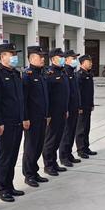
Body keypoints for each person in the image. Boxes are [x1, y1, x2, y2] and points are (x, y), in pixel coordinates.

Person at [0, 43, 25, 202]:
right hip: (5, 124)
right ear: (2, 57)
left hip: (17, 122)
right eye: (11, 54)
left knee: (13, 155)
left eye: (15, 54)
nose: (14, 57)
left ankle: (9, 185)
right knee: (3, 156)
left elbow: (20, 99)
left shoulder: (16, 74)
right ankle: (2, 188)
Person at [22, 45, 50, 187]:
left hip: (41, 117)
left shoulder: (41, 73)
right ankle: (28, 174)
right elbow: (24, 99)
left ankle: (34, 171)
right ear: (32, 58)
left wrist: (47, 114)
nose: (43, 59)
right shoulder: (27, 75)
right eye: (41, 57)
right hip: (31, 119)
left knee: (39, 145)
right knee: (31, 147)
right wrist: (25, 117)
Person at [42, 48, 70, 176]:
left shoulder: (62, 72)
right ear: (53, 59)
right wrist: (47, 114)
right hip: (52, 114)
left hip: (62, 112)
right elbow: (47, 97)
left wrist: (65, 110)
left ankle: (54, 163)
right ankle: (48, 165)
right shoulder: (49, 74)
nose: (63, 58)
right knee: (51, 140)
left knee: (58, 138)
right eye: (60, 57)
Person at [59, 50, 82, 167]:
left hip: (74, 107)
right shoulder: (65, 72)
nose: (75, 60)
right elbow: (65, 93)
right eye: (73, 58)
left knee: (72, 132)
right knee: (67, 133)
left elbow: (75, 92)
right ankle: (63, 156)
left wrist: (78, 106)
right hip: (68, 109)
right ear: (66, 59)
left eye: (75, 58)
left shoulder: (72, 72)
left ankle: (69, 154)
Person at [75, 55, 97, 159]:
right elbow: (78, 93)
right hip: (82, 107)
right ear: (83, 63)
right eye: (89, 62)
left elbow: (90, 92)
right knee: (81, 129)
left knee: (87, 128)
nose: (91, 63)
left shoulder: (89, 74)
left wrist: (92, 103)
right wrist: (79, 106)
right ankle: (80, 149)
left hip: (88, 106)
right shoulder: (79, 75)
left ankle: (86, 147)